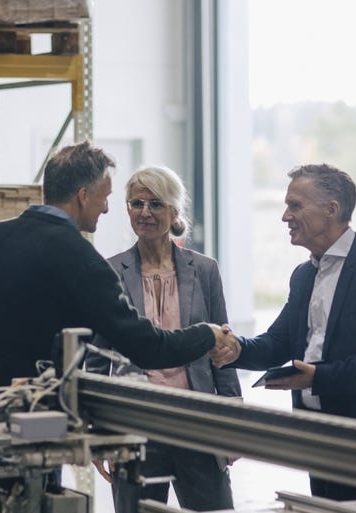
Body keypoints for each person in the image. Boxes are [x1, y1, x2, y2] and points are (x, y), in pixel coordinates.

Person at [0, 141, 232, 513]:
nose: (107, 208)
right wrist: (206, 334)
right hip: (25, 426)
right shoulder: (77, 256)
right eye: (105, 197)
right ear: (82, 195)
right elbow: (145, 346)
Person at [211, 163, 356, 501]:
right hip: (315, 431)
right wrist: (236, 349)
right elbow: (279, 342)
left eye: (295, 205)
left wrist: (319, 378)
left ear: (331, 210)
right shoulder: (303, 275)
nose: (285, 217)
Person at [85, 165, 240, 513]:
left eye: (155, 204)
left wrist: (233, 423)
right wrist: (99, 430)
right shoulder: (110, 272)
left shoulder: (205, 270)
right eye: (136, 203)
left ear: (174, 211)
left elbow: (223, 350)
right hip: (136, 424)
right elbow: (96, 358)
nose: (145, 212)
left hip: (197, 422)